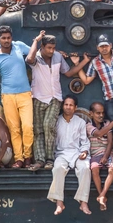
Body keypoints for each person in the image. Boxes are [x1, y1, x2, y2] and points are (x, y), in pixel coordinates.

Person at [74, 34, 113, 167]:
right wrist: (77, 64)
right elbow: (86, 80)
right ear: (98, 48)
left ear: (111, 45)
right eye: (101, 46)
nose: (104, 48)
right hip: (110, 101)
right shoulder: (95, 62)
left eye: (106, 46)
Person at [26, 30, 82, 171]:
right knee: (38, 130)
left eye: (53, 48)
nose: (51, 51)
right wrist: (35, 40)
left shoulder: (58, 57)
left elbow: (68, 73)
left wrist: (84, 62)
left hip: (55, 98)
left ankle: (50, 159)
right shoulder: (36, 58)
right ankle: (39, 160)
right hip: (38, 97)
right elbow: (29, 60)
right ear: (42, 47)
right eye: (48, 48)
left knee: (48, 126)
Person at [0, 26, 34, 168]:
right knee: (14, 128)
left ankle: (28, 156)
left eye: (8, 38)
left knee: (27, 126)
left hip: (25, 94)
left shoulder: (19, 46)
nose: (6, 40)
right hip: (7, 96)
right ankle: (19, 159)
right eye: (3, 38)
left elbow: (35, 54)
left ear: (11, 38)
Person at [47, 95, 92, 215]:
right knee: (58, 169)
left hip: (77, 154)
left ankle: (83, 202)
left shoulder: (81, 122)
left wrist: (84, 152)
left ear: (75, 107)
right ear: (63, 106)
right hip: (61, 154)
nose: (68, 107)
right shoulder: (56, 121)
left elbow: (85, 142)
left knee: (86, 168)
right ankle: (59, 203)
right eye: (66, 104)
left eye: (71, 105)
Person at [87, 102, 113, 211]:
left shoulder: (106, 123)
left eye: (102, 113)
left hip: (108, 153)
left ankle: (102, 195)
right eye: (98, 113)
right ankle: (101, 195)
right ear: (91, 114)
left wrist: (106, 156)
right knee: (95, 169)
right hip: (95, 154)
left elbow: (110, 142)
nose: (101, 115)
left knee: (112, 169)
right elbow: (98, 134)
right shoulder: (88, 125)